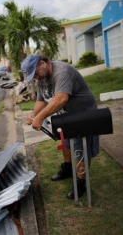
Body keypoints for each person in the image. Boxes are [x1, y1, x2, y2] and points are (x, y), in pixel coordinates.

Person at [21, 54, 99, 199]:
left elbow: (61, 98)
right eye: (33, 76)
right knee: (66, 142)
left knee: (81, 147)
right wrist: (33, 115)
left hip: (84, 113)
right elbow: (41, 100)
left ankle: (80, 183)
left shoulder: (62, 72)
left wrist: (40, 117)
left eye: (36, 73)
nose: (36, 77)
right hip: (66, 115)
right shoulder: (42, 78)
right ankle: (68, 169)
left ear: (43, 63)